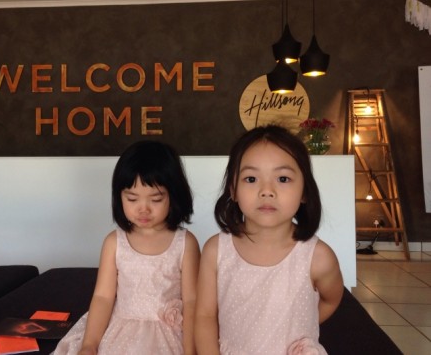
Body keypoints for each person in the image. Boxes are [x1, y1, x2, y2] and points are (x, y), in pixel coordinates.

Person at [195, 124, 344, 355]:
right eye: (251, 178)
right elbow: (205, 315)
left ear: (304, 191)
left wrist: (302, 327)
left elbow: (331, 300)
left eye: (283, 178)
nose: (267, 190)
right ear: (233, 189)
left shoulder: (318, 257)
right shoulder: (216, 250)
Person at [53, 140, 200, 355]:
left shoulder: (186, 243)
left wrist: (191, 350)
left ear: (174, 196)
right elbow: (103, 297)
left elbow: (192, 300)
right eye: (132, 199)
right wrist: (89, 344)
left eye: (156, 199)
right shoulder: (114, 242)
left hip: (170, 336)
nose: (143, 209)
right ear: (119, 196)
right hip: (120, 332)